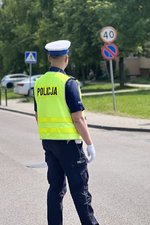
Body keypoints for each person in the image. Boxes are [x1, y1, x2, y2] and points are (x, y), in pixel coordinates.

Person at [34, 40, 99, 225]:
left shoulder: (39, 83)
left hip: (49, 143)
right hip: (69, 145)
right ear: (66, 59)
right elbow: (78, 118)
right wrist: (89, 144)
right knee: (80, 191)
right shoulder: (68, 83)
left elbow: (38, 115)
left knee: (55, 188)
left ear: (49, 58)